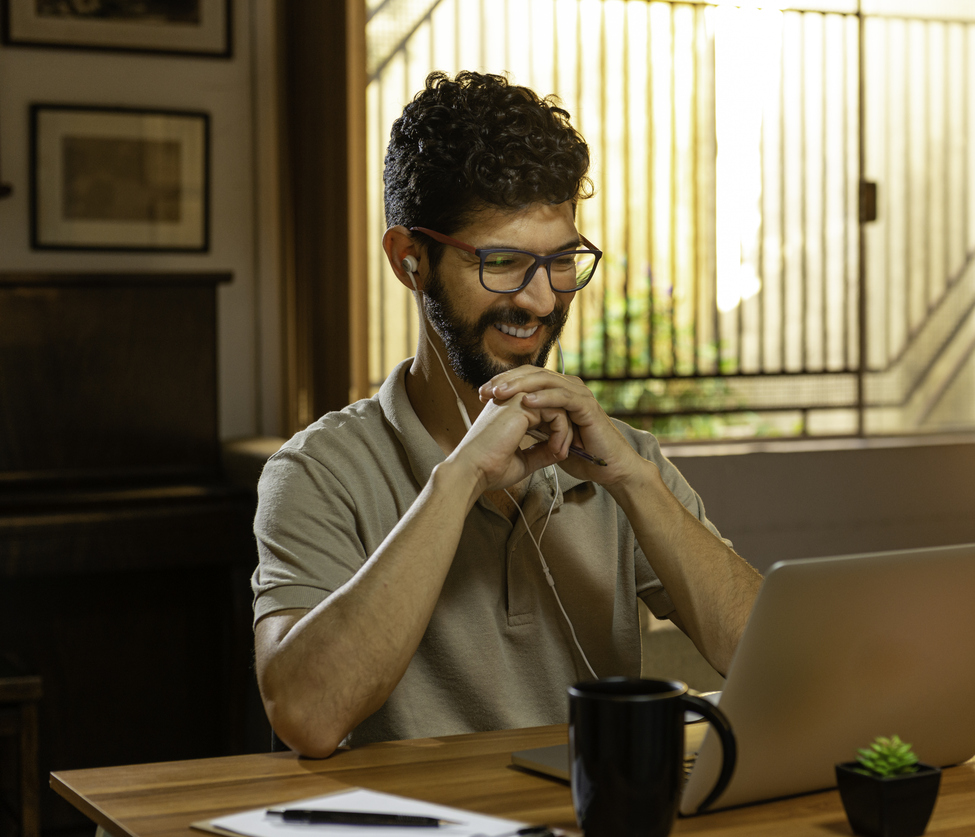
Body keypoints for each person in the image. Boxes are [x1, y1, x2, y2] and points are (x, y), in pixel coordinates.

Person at [251, 70, 762, 758]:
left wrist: (636, 483)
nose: (544, 300)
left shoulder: (619, 458)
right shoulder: (318, 472)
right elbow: (306, 713)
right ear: (410, 260)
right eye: (502, 262)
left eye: (560, 262)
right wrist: (459, 479)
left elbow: (766, 659)